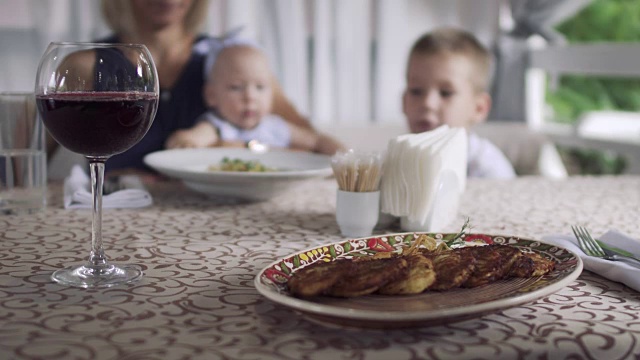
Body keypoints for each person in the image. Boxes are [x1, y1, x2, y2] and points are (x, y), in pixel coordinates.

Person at [93, 0, 340, 173]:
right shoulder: (87, 62)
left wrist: (236, 150)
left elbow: (315, 154)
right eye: (236, 89)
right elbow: (51, 154)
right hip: (117, 213)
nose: (248, 96)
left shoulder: (236, 61)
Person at [165, 44, 342, 154]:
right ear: (212, 96)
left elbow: (316, 141)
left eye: (260, 87)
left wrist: (341, 153)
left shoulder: (275, 126)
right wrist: (185, 141)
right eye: (236, 87)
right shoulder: (216, 127)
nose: (250, 97)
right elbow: (191, 139)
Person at [402, 26, 516, 179]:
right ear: (403, 102)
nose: (427, 103)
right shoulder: (398, 163)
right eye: (416, 91)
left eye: (445, 93)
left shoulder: (489, 169)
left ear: (479, 108)